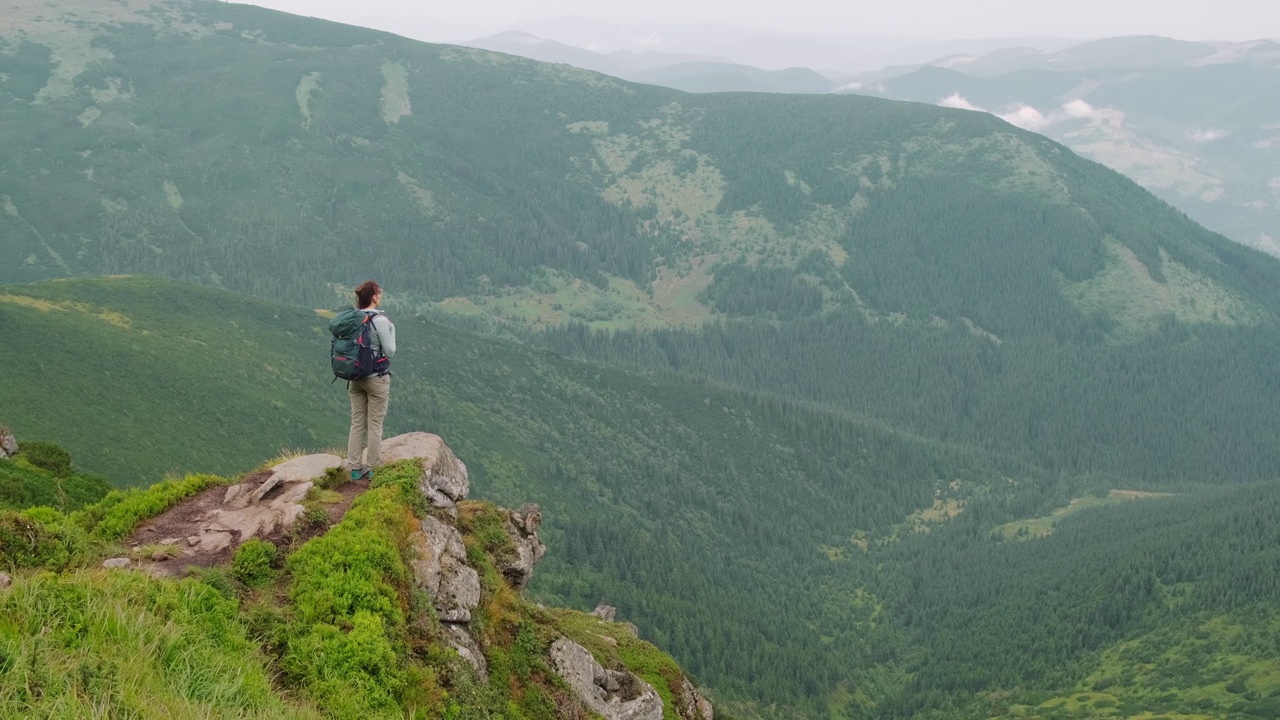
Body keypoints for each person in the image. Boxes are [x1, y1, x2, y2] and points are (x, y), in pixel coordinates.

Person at [347, 280, 396, 480]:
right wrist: (392, 330)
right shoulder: (381, 321)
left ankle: (355, 468)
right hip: (376, 377)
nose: (380, 295)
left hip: (355, 376)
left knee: (357, 422)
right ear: (374, 297)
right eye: (379, 292)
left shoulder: (352, 318)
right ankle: (375, 468)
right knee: (374, 423)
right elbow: (390, 351)